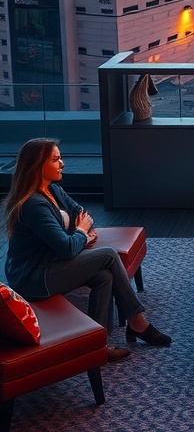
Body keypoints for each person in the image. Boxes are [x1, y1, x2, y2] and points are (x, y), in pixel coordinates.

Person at [3, 138, 171, 362]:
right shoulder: (34, 205)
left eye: (60, 157)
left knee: (103, 276)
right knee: (109, 255)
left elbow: (81, 212)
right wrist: (80, 233)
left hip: (51, 264)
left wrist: (77, 232)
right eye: (55, 159)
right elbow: (67, 248)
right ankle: (137, 321)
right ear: (37, 166)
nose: (62, 163)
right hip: (34, 277)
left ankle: (99, 344)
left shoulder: (53, 190)